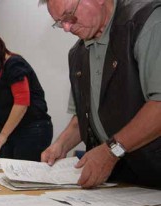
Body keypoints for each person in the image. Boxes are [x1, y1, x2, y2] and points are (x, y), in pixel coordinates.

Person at [39, 0, 161, 188]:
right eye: (59, 22)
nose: (66, 28)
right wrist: (60, 145)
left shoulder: (147, 22)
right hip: (120, 180)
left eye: (68, 15)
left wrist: (111, 151)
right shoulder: (77, 54)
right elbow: (82, 118)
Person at [0, 29, 53, 161]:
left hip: (31, 130)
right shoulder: (1, 71)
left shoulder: (14, 64)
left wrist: (3, 135)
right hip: (15, 131)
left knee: (22, 175)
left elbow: (22, 103)